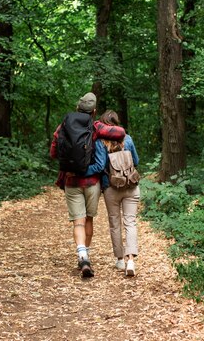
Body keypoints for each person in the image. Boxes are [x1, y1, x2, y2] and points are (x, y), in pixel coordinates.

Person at [50, 93, 125, 278]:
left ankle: (82, 255)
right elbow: (120, 133)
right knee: (89, 219)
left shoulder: (63, 126)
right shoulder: (95, 126)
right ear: (94, 111)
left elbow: (53, 152)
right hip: (92, 182)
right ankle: (85, 255)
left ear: (77, 108)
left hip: (71, 181)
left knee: (78, 221)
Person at [85, 109, 140, 276]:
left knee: (115, 224)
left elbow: (100, 165)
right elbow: (136, 161)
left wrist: (83, 171)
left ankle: (120, 261)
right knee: (130, 223)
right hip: (131, 185)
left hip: (111, 188)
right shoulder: (128, 139)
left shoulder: (101, 142)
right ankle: (131, 259)